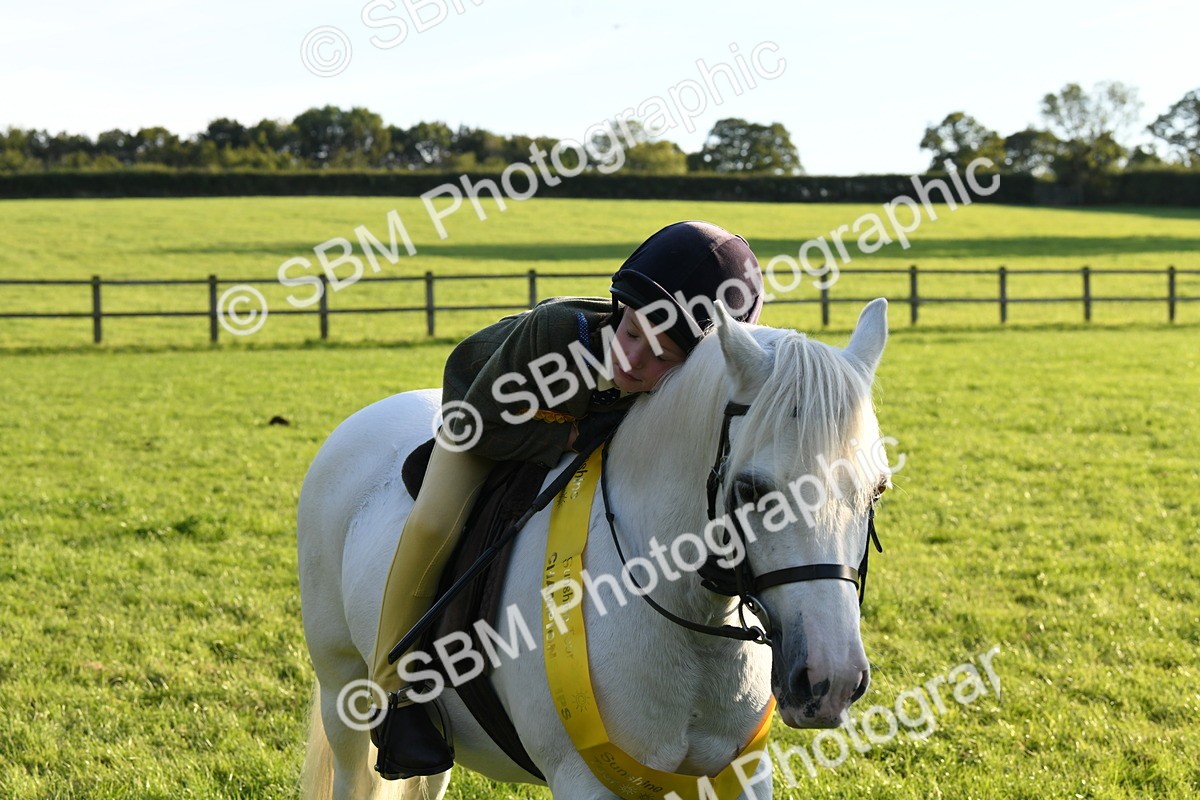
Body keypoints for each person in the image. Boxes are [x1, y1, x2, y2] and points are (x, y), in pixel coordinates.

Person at [368, 220, 764, 780]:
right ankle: (391, 695)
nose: (633, 360)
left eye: (662, 355)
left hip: (566, 420)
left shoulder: (680, 392)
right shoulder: (558, 331)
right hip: (489, 408)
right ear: (618, 309)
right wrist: (570, 439)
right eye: (630, 333)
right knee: (433, 524)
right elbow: (478, 427)